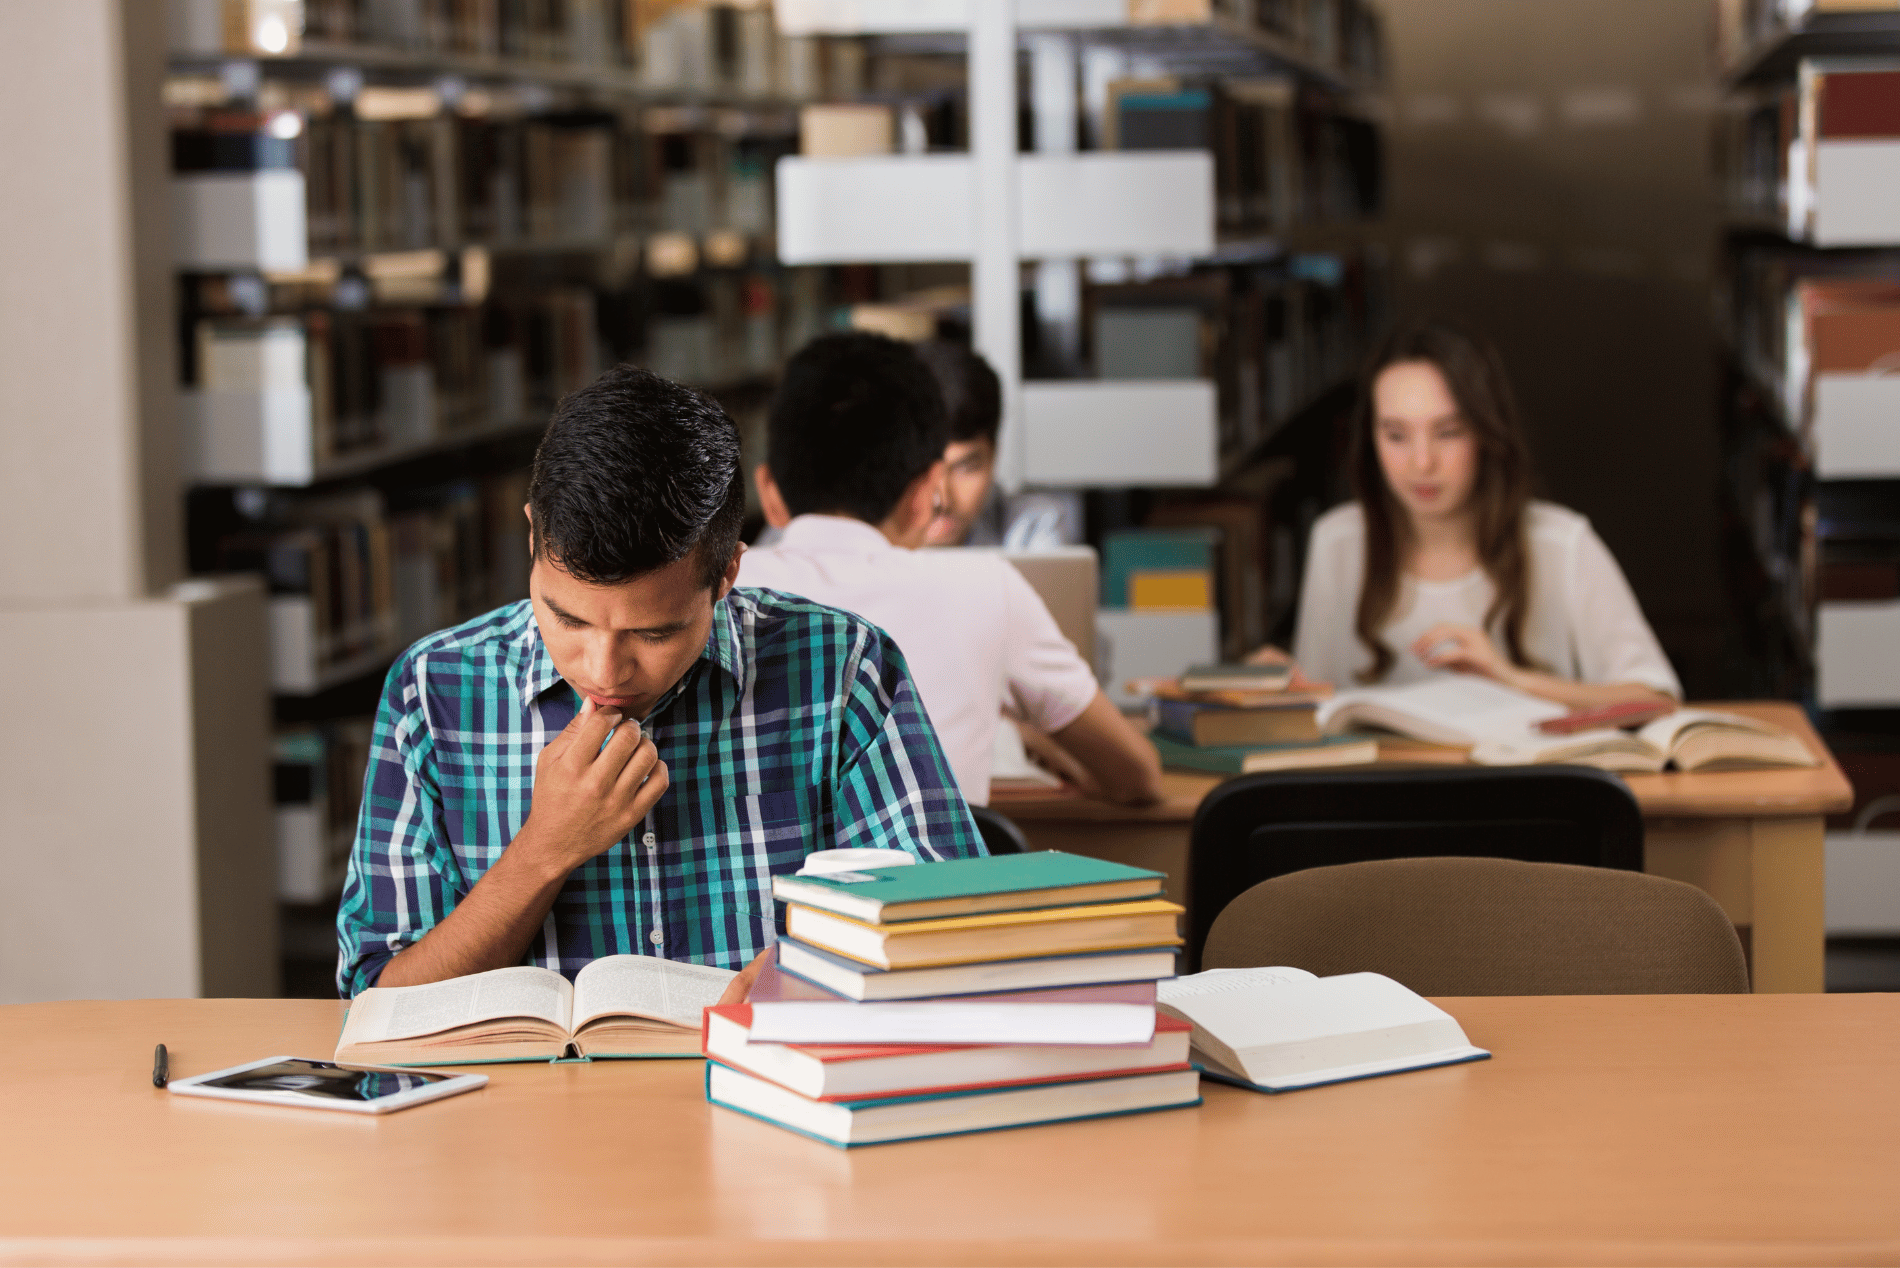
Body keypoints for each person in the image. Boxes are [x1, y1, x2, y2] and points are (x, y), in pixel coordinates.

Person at [336, 365, 983, 1001]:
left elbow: (951, 928)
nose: (602, 670)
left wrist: (808, 970)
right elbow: (374, 999)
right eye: (566, 617)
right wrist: (542, 852)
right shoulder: (436, 690)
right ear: (533, 537)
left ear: (727, 571)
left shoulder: (842, 668)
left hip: (765, 1092)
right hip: (526, 1105)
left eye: (653, 634)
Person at [741, 332, 1164, 807]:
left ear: (769, 494)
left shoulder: (714, 591)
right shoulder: (989, 588)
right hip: (938, 881)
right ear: (927, 495)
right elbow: (1139, 777)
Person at [1278, 318, 1681, 708]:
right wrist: (1276, 687)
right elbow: (1316, 708)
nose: (1422, 462)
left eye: (1448, 432)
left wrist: (1510, 678)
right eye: (1396, 435)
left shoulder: (1563, 544)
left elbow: (1656, 699)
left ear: (1487, 432)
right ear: (1370, 438)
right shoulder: (1336, 541)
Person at [913, 339, 1006, 547]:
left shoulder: (1030, 528)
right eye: (921, 468)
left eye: (965, 468)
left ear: (994, 457)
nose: (942, 500)